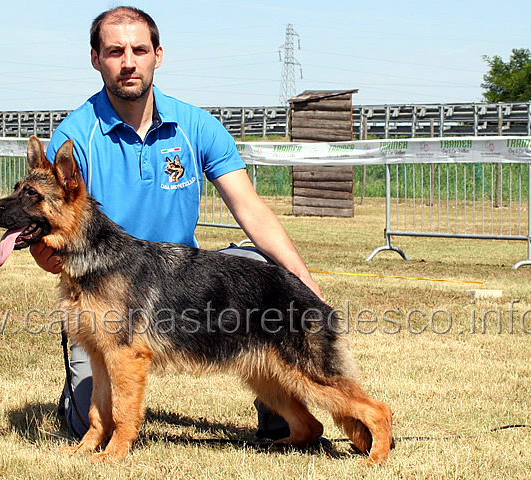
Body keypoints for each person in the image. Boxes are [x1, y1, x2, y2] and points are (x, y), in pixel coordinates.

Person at [30, 6, 324, 445]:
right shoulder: (75, 137)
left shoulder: (196, 126)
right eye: (114, 51)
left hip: (182, 285)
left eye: (138, 50)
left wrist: (301, 278)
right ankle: (88, 407)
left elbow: (249, 208)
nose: (128, 62)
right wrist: (51, 255)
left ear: (158, 55)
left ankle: (284, 422)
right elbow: (51, 234)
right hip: (109, 295)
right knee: (82, 426)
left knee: (259, 265)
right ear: (96, 59)